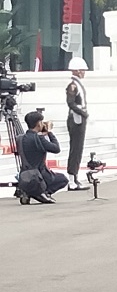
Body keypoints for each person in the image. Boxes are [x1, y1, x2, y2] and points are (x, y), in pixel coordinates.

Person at [16, 111, 67, 204]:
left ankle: (29, 192)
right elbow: (56, 149)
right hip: (39, 176)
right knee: (63, 179)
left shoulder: (20, 138)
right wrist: (50, 132)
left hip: (24, 176)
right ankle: (42, 193)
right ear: (39, 123)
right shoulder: (39, 139)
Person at [65, 57, 90, 191]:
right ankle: (71, 179)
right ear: (78, 71)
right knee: (75, 148)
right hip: (76, 118)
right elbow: (71, 103)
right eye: (83, 70)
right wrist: (83, 113)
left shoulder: (77, 84)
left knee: (78, 149)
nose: (84, 73)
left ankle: (74, 177)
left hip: (79, 117)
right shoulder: (73, 85)